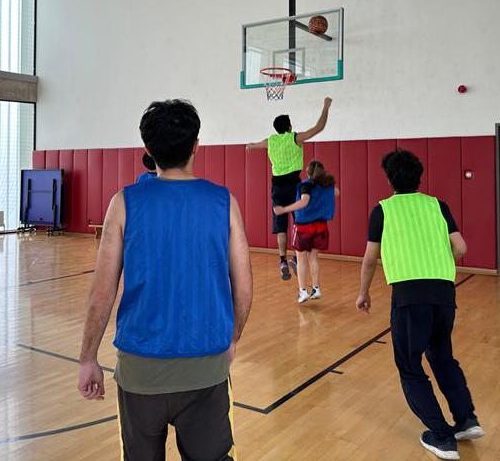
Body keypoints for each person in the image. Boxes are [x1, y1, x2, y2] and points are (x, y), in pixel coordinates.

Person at [78, 99, 253, 460]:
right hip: (206, 370)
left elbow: (102, 293)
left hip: (140, 374)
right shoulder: (224, 202)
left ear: (148, 149)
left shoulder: (123, 203)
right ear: (196, 146)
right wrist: (233, 338)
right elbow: (244, 287)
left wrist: (87, 358)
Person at [355, 149, 482, 460]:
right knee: (442, 356)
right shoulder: (438, 205)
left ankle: (442, 437)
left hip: (410, 297)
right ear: (419, 177)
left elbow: (370, 258)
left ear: (389, 179)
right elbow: (461, 247)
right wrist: (438, 263)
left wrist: (363, 293)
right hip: (444, 293)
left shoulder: (382, 210)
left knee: (411, 367)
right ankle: (466, 419)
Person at [246, 96, 332, 280]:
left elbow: (254, 145)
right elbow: (318, 128)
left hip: (277, 187)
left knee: (281, 227)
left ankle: (283, 261)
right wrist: (326, 107)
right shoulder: (295, 138)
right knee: (300, 222)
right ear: (289, 126)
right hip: (294, 185)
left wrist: (250, 146)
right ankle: (295, 257)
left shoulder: (271, 141)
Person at [273, 160, 339, 304]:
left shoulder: (306, 185)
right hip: (321, 226)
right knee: (314, 258)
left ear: (308, 173)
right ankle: (316, 288)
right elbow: (337, 192)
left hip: (304, 227)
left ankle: (303, 292)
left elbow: (304, 202)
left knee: (301, 259)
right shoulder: (326, 185)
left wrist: (284, 209)